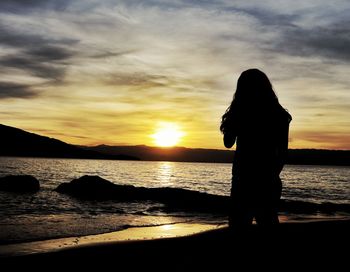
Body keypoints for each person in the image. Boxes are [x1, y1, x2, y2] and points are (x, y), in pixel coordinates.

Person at [220, 68, 292, 230]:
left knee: (240, 227)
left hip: (245, 180)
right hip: (263, 180)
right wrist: (272, 175)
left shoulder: (244, 113)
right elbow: (283, 154)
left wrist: (235, 115)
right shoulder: (279, 115)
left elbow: (227, 142)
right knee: (267, 226)